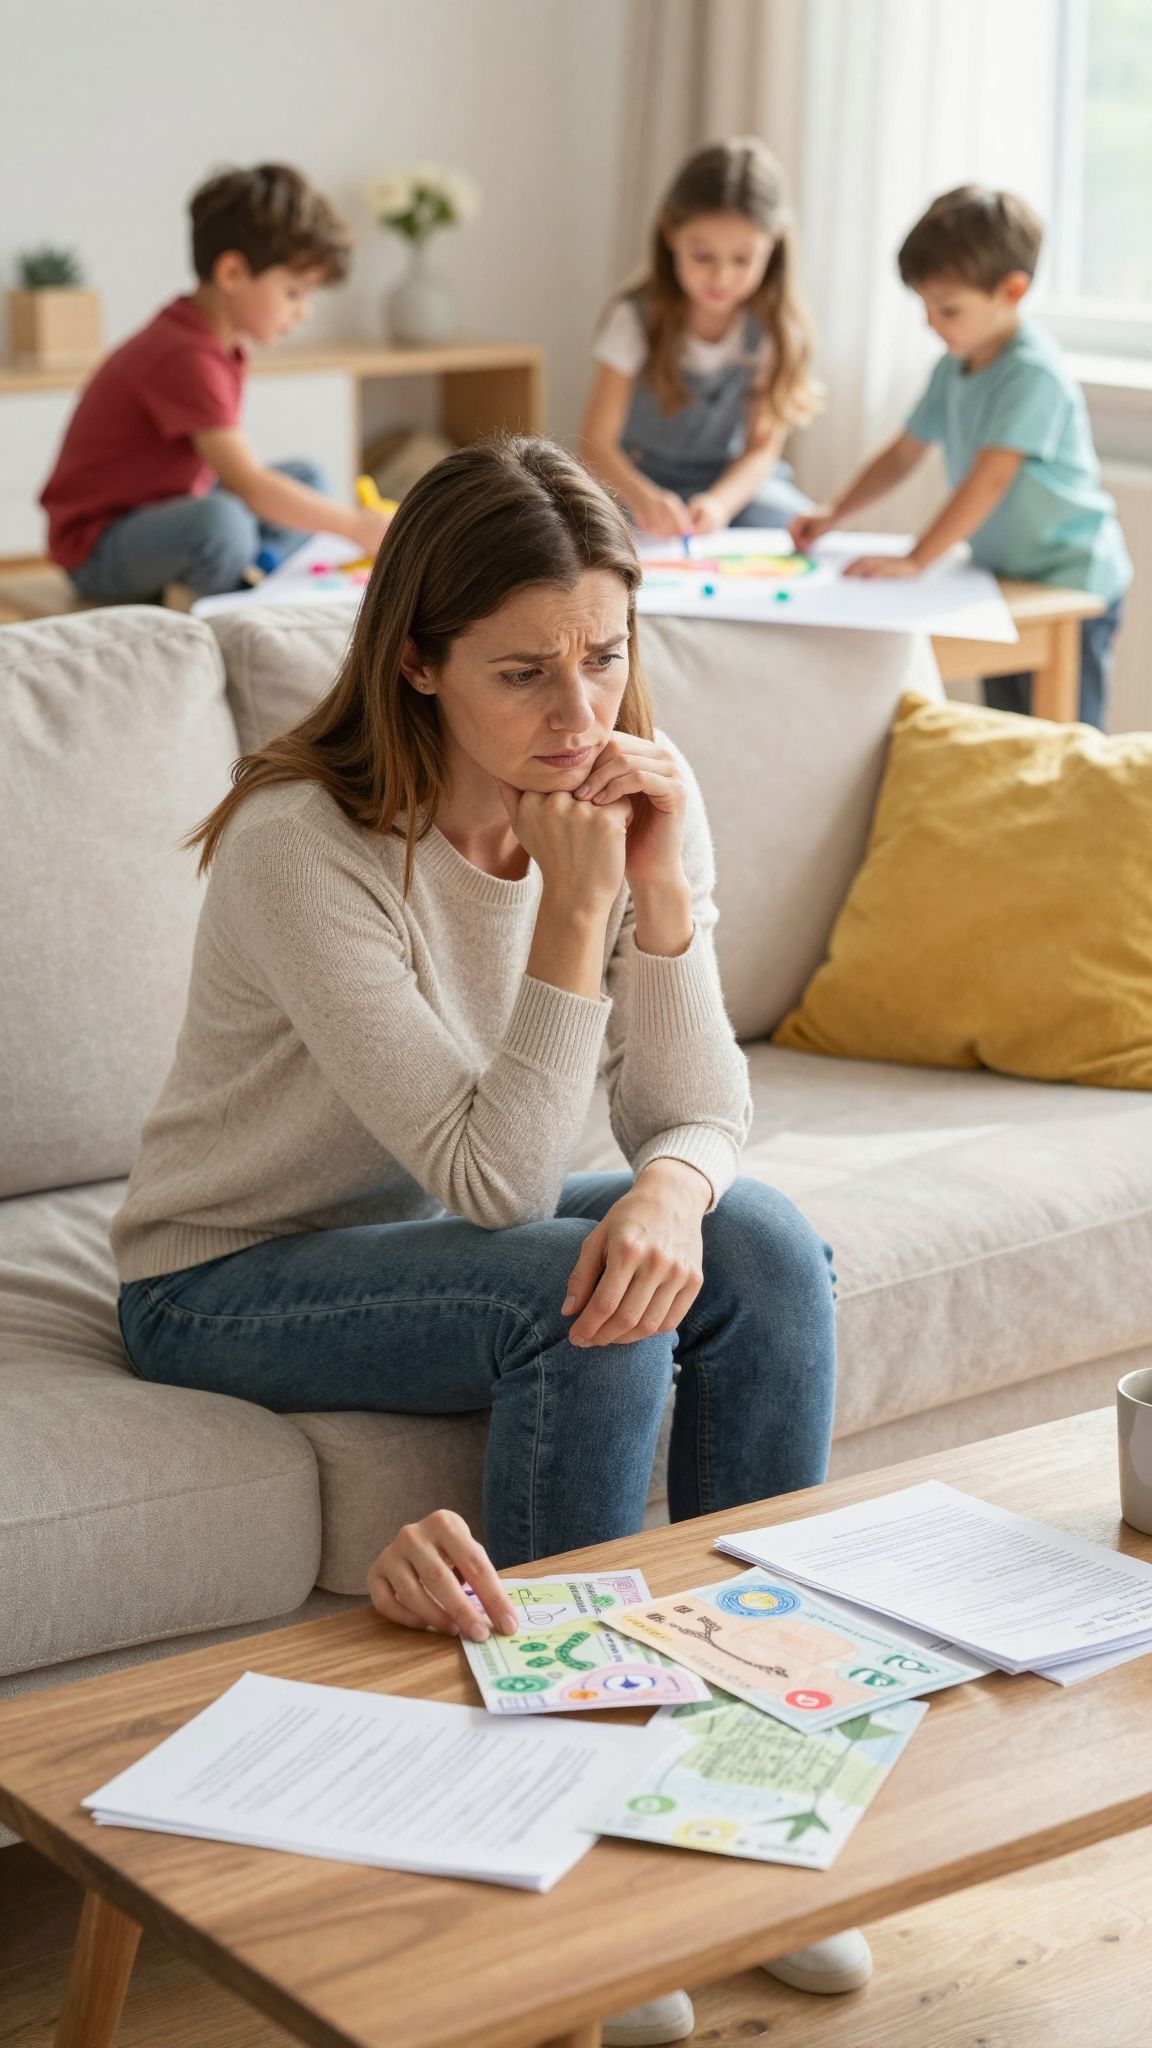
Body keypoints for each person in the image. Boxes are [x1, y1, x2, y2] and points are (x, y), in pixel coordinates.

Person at [112, 436, 865, 2045]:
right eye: (525, 674)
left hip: (444, 1223)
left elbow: (699, 1109)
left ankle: (747, 1788)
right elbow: (497, 1187)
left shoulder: (633, 786)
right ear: (421, 665)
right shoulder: (300, 848)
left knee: (770, 1249)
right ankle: (575, 1827)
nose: (581, 714)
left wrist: (674, 1168)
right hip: (226, 1272)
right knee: (564, 1292)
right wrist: (585, 915)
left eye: (606, 657)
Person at [792, 185, 1131, 730]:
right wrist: (836, 512)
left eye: (948, 309)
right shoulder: (955, 366)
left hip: (1071, 578)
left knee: (1067, 735)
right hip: (1003, 574)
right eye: (925, 306)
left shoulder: (1031, 373)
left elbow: (989, 481)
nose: (932, 323)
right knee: (1011, 729)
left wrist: (917, 559)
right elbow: (904, 453)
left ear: (1011, 291)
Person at [40, 163, 392, 603]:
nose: (304, 313)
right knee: (221, 524)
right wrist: (355, 526)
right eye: (293, 293)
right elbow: (246, 481)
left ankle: (253, 572)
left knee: (308, 477)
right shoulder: (183, 354)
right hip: (98, 546)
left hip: (167, 506)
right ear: (232, 274)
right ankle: (226, 599)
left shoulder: (213, 342)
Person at [580, 137, 820, 540]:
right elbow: (596, 444)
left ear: (772, 248)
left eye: (742, 260)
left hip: (728, 487)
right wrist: (645, 498)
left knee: (800, 527)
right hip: (637, 484)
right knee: (583, 536)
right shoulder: (635, 320)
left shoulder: (772, 331)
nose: (721, 277)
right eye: (703, 256)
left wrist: (720, 504)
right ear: (670, 233)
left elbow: (762, 450)